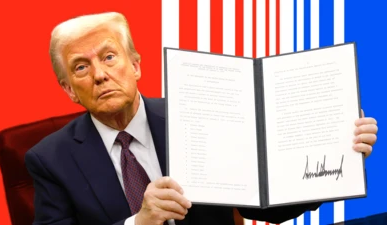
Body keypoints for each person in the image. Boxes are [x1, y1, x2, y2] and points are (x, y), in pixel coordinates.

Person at [24, 12, 379, 225]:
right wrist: (140, 222)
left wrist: (338, 159)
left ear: (135, 65)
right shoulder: (49, 159)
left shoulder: (199, 113)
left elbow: (264, 206)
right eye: (81, 67)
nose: (100, 75)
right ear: (69, 89)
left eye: (109, 57)